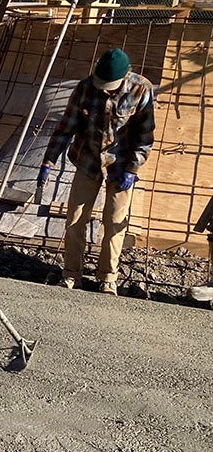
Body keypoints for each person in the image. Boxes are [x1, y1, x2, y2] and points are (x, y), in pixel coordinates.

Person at [39, 47, 154, 295]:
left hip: (121, 163)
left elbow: (145, 134)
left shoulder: (140, 90)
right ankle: (71, 273)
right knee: (76, 219)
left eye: (109, 85)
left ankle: (108, 277)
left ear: (125, 76)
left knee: (114, 222)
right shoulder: (85, 88)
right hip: (88, 159)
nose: (104, 89)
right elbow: (66, 126)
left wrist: (133, 167)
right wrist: (48, 161)